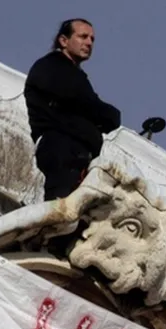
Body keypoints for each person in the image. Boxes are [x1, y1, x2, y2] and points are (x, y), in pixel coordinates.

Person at [25, 18, 122, 200]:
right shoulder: (53, 67)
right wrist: (108, 116)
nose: (89, 43)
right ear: (64, 40)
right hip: (62, 147)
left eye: (92, 39)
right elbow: (84, 101)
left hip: (77, 153)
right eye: (83, 36)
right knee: (62, 208)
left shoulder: (71, 73)